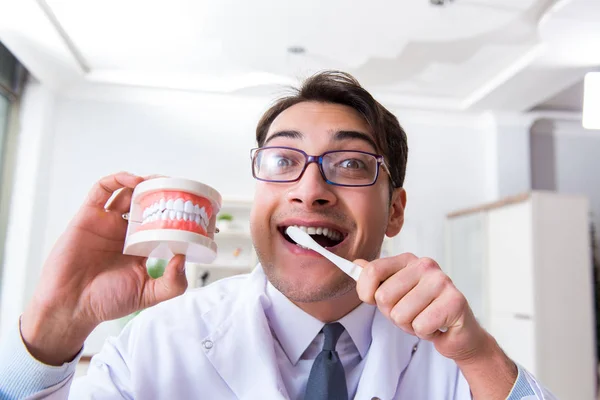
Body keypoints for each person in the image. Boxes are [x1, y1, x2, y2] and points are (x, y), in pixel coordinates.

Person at [0, 71, 555, 399]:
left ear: (394, 212)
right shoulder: (158, 342)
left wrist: (479, 357)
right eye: (283, 159)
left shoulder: (458, 361)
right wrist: (50, 334)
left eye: (352, 164)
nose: (310, 189)